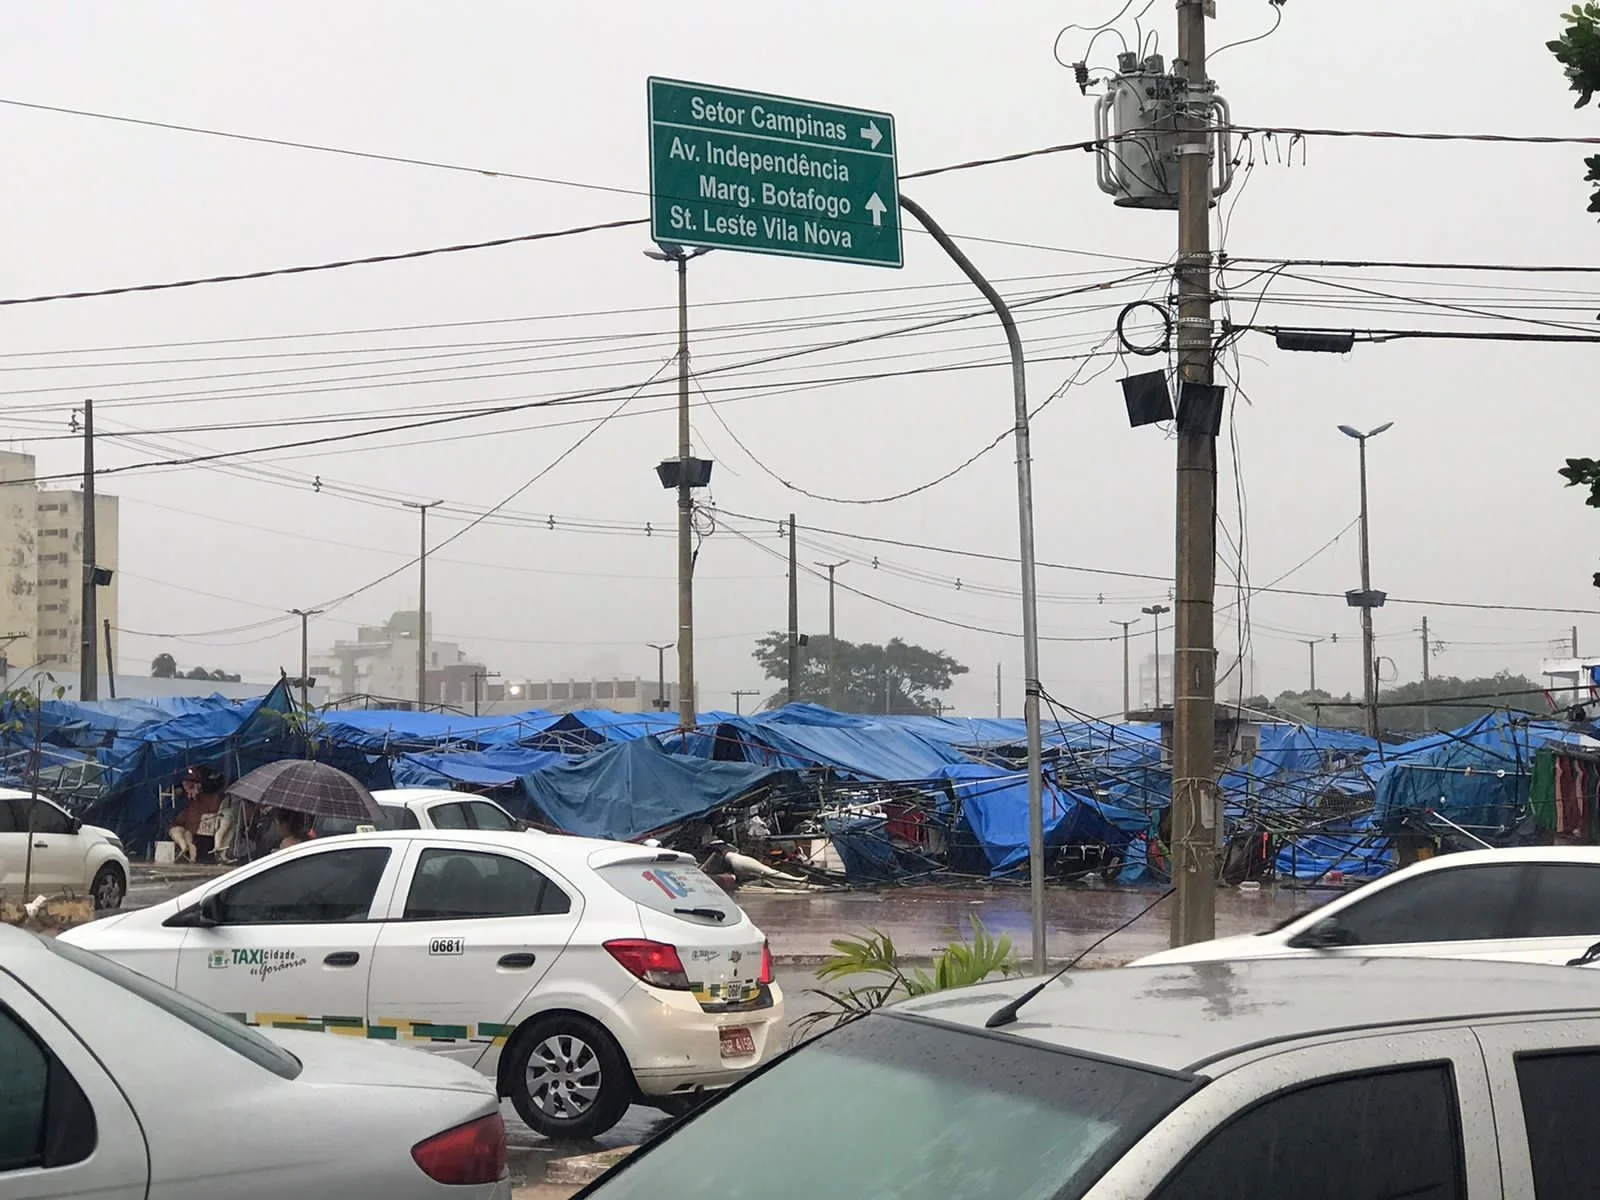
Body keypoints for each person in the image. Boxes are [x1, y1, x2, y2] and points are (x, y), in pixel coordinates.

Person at [169, 766, 223, 863]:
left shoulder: (200, 800)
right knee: (183, 836)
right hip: (189, 828)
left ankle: (184, 846)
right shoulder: (188, 801)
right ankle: (189, 854)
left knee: (179, 833)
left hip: (190, 827)